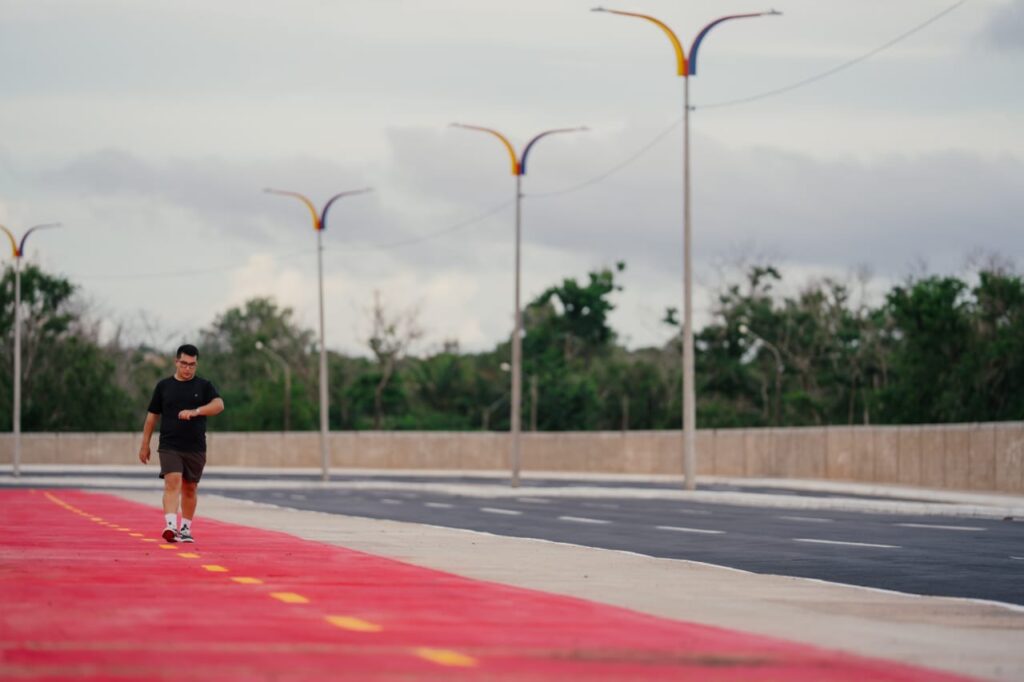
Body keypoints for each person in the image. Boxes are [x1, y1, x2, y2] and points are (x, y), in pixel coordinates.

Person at [138, 344, 224, 543]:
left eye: (192, 365)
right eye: (184, 364)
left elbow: (219, 405)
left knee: (190, 487)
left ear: (196, 364)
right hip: (170, 445)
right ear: (176, 362)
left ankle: (185, 529)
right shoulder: (163, 386)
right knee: (173, 481)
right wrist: (145, 444)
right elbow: (152, 417)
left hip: (195, 446)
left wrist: (196, 411)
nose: (187, 368)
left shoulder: (204, 386)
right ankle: (170, 526)